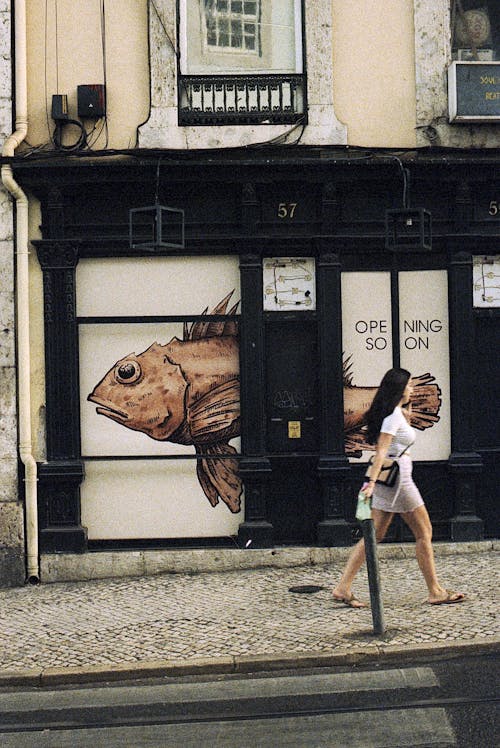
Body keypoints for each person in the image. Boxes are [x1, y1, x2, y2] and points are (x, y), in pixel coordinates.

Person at [332, 367, 466, 608]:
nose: (412, 388)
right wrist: (369, 484)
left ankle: (343, 587)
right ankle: (435, 591)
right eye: (409, 385)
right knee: (424, 532)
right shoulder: (392, 418)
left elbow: (393, 441)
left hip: (390, 480)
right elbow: (382, 450)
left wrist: (406, 413)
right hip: (399, 481)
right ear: (399, 389)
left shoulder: (395, 414)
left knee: (374, 536)